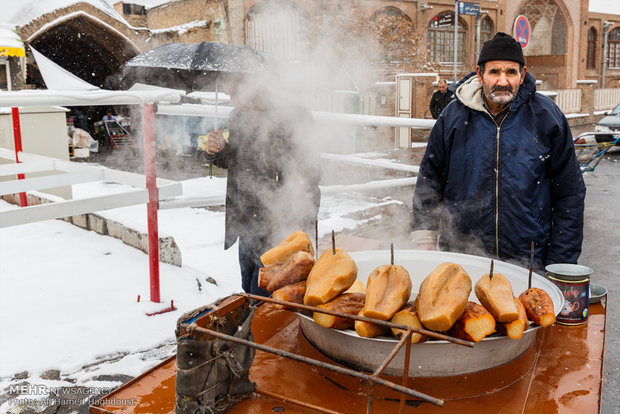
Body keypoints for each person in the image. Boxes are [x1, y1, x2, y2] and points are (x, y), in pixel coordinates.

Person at [411, 32, 586, 270]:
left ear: (522, 75)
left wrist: (561, 261)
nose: (502, 81)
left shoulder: (547, 117)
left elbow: (570, 193)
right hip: (462, 255)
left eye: (510, 72)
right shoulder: (453, 116)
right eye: (494, 72)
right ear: (480, 74)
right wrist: (426, 236)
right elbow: (430, 179)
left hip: (529, 258)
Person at [205, 77, 321, 296]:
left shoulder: (292, 116)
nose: (232, 101)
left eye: (235, 94)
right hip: (246, 218)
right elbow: (237, 160)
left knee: (268, 291)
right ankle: (254, 323)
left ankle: (262, 326)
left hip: (279, 220)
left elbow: (310, 171)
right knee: (247, 283)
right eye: (228, 95)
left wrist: (299, 220)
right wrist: (219, 150)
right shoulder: (237, 116)